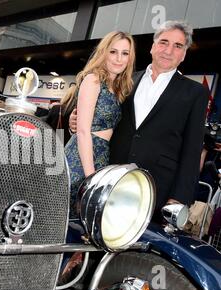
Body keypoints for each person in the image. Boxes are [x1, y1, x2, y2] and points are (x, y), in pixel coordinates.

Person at [69, 21, 210, 222]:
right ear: (153, 46)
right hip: (110, 177)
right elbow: (102, 117)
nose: (168, 50)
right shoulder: (124, 81)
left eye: (178, 46)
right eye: (163, 42)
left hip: (155, 189)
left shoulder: (195, 93)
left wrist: (178, 199)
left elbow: (192, 150)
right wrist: (76, 122)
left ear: (184, 54)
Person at [65, 31, 136, 217]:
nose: (119, 58)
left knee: (85, 222)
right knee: (70, 216)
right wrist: (91, 177)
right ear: (104, 52)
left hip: (102, 156)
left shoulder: (119, 87)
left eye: (125, 53)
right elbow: (82, 131)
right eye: (113, 52)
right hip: (81, 157)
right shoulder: (93, 79)